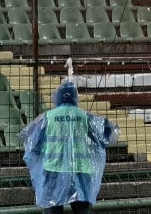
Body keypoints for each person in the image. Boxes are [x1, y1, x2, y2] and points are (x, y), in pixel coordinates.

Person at [20, 79, 118, 214]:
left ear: (58, 97)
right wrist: (107, 126)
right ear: (75, 98)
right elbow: (105, 138)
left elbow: (33, 143)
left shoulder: (48, 117)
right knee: (82, 210)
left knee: (52, 208)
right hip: (80, 170)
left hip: (54, 170)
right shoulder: (84, 117)